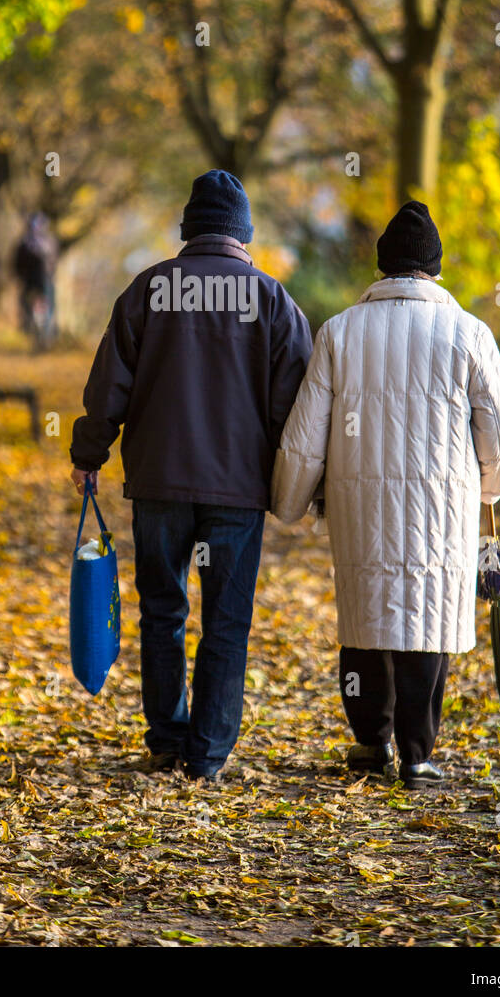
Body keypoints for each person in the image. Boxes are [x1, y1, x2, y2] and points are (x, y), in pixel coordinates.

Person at [271, 200, 500, 789]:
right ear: (434, 270)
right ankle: (417, 754)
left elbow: (306, 433)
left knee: (365, 616)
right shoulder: (470, 334)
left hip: (358, 506)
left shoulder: (339, 332)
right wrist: (487, 486)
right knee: (427, 620)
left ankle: (369, 742)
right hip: (442, 509)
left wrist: (288, 502)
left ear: (382, 267)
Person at [69, 170, 312, 780]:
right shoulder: (273, 301)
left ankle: (167, 738)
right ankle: (207, 756)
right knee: (225, 619)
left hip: (160, 484)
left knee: (163, 611)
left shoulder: (148, 291)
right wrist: (301, 481)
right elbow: (299, 408)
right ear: (243, 236)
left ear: (188, 232)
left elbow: (108, 388)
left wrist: (89, 452)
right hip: (237, 489)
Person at [13, 213, 58, 346]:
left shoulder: (46, 243)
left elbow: (53, 262)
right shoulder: (28, 244)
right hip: (35, 283)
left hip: (43, 283)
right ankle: (35, 331)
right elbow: (17, 264)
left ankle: (44, 335)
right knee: (31, 307)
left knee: (45, 309)